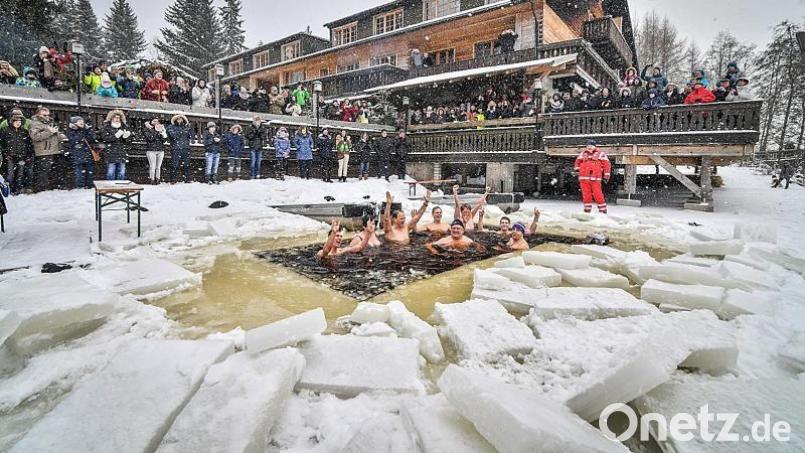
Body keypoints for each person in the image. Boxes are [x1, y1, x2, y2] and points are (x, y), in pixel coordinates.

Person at [29, 107, 64, 192]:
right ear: (38, 114)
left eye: (48, 115)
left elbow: (54, 134)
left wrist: (59, 135)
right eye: (44, 115)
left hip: (55, 150)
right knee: (43, 171)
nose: (47, 116)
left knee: (54, 170)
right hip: (44, 151)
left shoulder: (49, 123)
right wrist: (50, 132)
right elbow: (35, 137)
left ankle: (53, 187)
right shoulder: (35, 124)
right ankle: (41, 189)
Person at [1, 113, 34, 194]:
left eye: (19, 121)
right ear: (12, 122)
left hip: (21, 157)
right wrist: (6, 154)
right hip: (10, 157)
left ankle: (17, 189)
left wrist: (28, 155)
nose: (18, 123)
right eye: (16, 121)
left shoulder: (24, 132)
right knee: (10, 175)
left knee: (20, 174)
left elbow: (29, 145)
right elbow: (2, 144)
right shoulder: (6, 131)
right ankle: (9, 190)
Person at [574, 140, 611, 214]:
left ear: (594, 146)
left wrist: (606, 176)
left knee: (598, 194)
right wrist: (578, 170)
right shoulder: (583, 154)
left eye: (591, 146)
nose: (589, 147)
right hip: (584, 179)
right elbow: (577, 162)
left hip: (595, 178)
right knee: (586, 194)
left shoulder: (601, 154)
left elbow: (607, 165)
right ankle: (587, 209)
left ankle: (602, 209)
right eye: (587, 146)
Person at [66, 116, 97, 189]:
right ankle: (80, 186)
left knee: (89, 170)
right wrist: (82, 131)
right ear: (75, 123)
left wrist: (88, 130)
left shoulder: (86, 129)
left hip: (87, 152)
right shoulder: (71, 130)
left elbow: (92, 139)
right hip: (77, 153)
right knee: (79, 171)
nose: (81, 123)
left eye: (82, 121)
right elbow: (74, 140)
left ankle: (90, 185)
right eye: (79, 121)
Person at [100, 110, 132, 181]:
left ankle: (120, 187)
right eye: (115, 117)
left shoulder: (124, 127)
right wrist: (116, 135)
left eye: (118, 117)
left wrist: (126, 137)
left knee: (122, 172)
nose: (117, 119)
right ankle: (111, 187)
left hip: (122, 154)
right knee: (111, 172)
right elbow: (105, 138)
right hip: (110, 153)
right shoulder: (106, 127)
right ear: (111, 118)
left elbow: (129, 141)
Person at [167, 114, 193, 183]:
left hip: (185, 148)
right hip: (176, 148)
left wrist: (190, 130)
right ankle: (173, 179)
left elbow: (191, 137)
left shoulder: (186, 127)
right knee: (174, 164)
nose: (179, 120)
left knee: (186, 164)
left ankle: (187, 179)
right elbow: (173, 136)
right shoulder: (171, 127)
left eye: (181, 119)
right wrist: (182, 131)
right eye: (178, 119)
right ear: (175, 120)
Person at [143, 118, 168, 184]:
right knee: (152, 166)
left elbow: (164, 140)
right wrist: (156, 131)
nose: (156, 122)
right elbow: (150, 138)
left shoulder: (160, 129)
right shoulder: (147, 129)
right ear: (151, 122)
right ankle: (152, 180)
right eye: (154, 121)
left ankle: (158, 179)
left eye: (157, 121)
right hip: (151, 150)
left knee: (158, 167)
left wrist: (163, 133)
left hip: (160, 150)